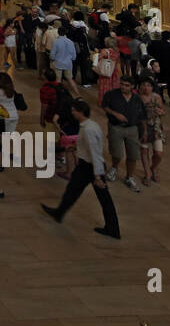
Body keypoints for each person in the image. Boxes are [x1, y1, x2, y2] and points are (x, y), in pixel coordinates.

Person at [41, 100, 121, 239]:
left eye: (74, 111)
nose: (72, 113)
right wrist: (75, 147)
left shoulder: (88, 129)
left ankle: (113, 229)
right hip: (86, 165)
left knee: (104, 199)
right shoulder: (90, 125)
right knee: (72, 189)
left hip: (91, 167)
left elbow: (95, 154)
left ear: (80, 112)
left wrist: (97, 177)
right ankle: (59, 212)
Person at [101, 77, 144, 192]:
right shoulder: (111, 94)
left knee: (133, 155)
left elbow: (142, 116)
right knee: (116, 152)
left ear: (132, 87)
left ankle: (129, 177)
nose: (123, 87)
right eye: (122, 84)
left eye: (126, 85)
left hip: (132, 128)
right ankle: (114, 168)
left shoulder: (137, 99)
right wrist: (115, 114)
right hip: (116, 127)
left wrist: (143, 132)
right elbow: (104, 106)